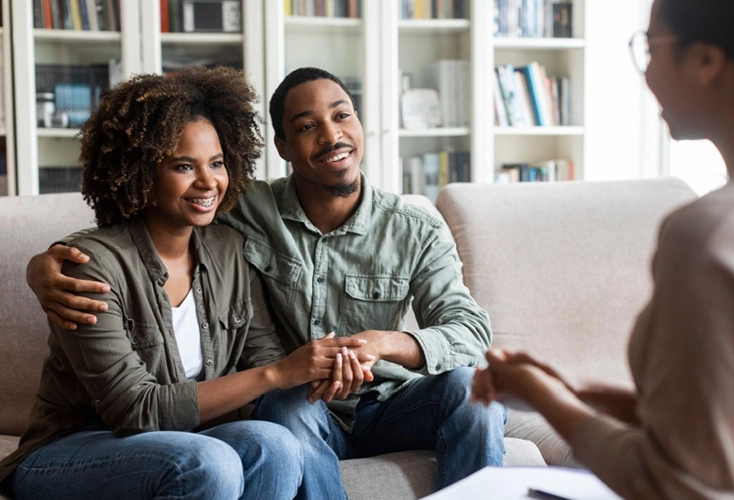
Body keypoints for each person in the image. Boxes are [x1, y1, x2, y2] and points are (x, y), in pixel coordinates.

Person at [25, 67, 507, 498]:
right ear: (281, 147)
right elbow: (132, 223)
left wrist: (383, 344)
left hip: (387, 403)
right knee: (283, 409)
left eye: (343, 116)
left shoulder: (413, 226)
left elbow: (470, 331)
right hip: (292, 405)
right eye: (306, 126)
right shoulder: (245, 211)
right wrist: (44, 264)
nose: (332, 135)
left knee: (471, 388)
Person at [472, 0, 734, 498]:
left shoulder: (712, 236)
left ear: (706, 61)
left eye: (651, 48)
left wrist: (547, 398)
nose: (646, 73)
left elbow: (678, 485)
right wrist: (577, 392)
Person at [0, 66, 373, 500]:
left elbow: (265, 357)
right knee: (207, 462)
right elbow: (134, 409)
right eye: (183, 166)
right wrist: (277, 373)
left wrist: (328, 367)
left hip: (188, 439)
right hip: (73, 448)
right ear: (143, 172)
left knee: (274, 444)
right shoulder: (90, 266)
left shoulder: (230, 250)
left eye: (216, 163)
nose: (208, 182)